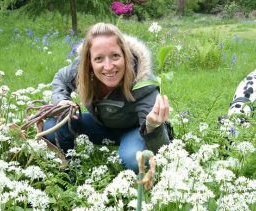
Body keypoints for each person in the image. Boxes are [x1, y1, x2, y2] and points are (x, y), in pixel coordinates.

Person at [44, 22, 171, 172]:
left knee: (135, 159)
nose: (108, 66)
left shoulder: (143, 83)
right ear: (89, 61)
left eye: (115, 56)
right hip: (101, 127)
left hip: (136, 130)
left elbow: (162, 149)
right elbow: (60, 78)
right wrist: (62, 101)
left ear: (126, 56)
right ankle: (70, 168)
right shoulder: (82, 70)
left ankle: (130, 151)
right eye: (98, 59)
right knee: (52, 127)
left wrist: (152, 126)